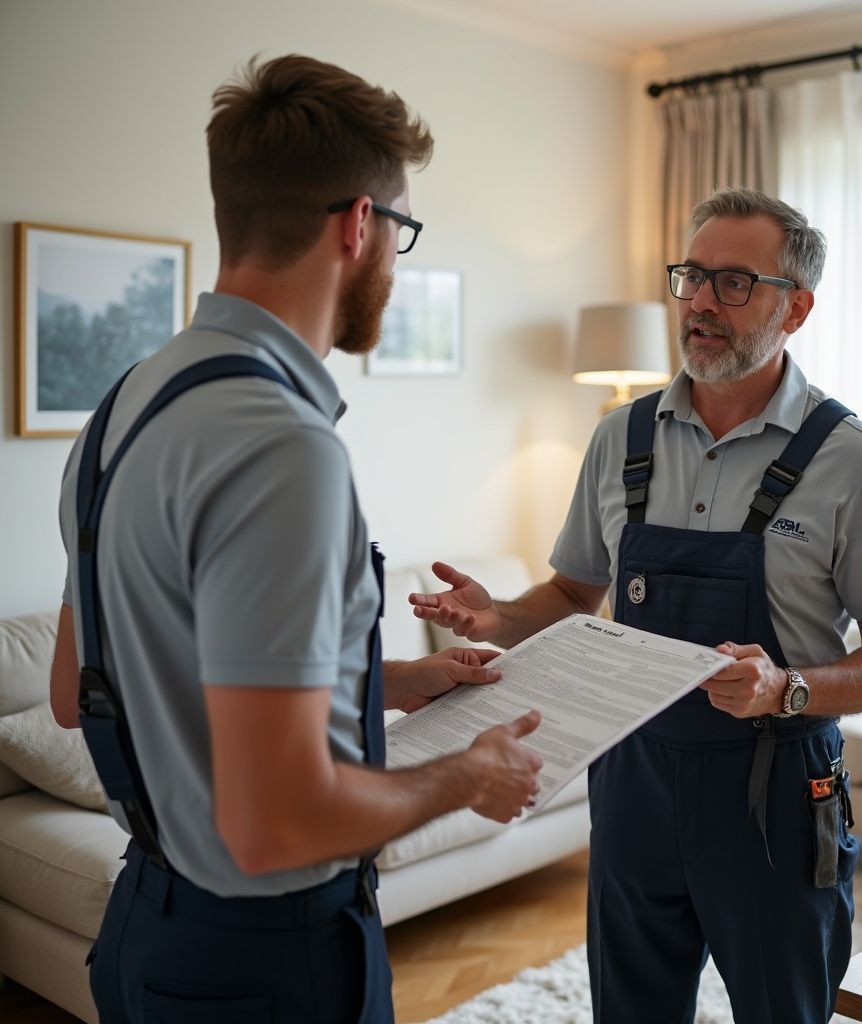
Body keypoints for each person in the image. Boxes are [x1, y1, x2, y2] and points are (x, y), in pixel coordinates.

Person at [49, 54, 542, 1024]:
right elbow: (276, 822)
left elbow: (79, 690)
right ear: (361, 224)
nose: (392, 261)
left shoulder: (122, 410)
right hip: (267, 966)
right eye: (400, 231)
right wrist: (464, 773)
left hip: (147, 929)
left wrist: (392, 682)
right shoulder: (284, 448)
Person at [409, 188, 862, 1023]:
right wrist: (497, 617)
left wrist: (788, 686)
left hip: (777, 792)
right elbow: (577, 594)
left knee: (783, 1008)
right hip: (633, 778)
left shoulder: (854, 459)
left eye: (733, 283)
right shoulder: (621, 437)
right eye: (691, 277)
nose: (698, 303)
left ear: (794, 308)